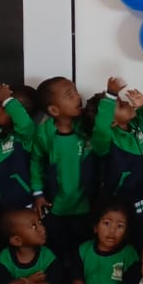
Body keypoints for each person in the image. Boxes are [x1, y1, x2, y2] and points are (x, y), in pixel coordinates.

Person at [0, 83, 43, 264]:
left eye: (3, 107)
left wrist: (7, 100)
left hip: (16, 203)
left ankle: (16, 274)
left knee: (15, 243)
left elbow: (24, 123)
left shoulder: (26, 135)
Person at [33, 76, 98, 257]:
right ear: (54, 110)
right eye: (69, 95)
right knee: (58, 251)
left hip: (85, 206)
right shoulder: (44, 133)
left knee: (82, 251)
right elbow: (36, 163)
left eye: (75, 91)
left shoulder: (86, 127)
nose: (78, 97)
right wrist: (38, 194)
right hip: (56, 206)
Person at [92, 80, 143, 247]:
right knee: (122, 250)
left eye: (122, 100)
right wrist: (110, 95)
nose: (126, 103)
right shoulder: (106, 141)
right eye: (120, 105)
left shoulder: (140, 123)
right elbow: (101, 128)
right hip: (121, 213)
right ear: (112, 122)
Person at [56, 199, 141, 284]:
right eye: (106, 223)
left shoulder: (129, 254)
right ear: (95, 226)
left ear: (126, 232)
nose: (112, 230)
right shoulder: (84, 250)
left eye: (120, 226)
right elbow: (77, 278)